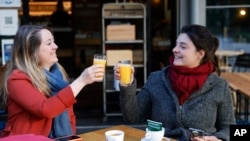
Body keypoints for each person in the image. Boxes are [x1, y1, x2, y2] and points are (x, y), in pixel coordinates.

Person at [114, 24, 236, 141]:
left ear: (200, 54)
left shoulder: (219, 86)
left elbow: (230, 128)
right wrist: (127, 84)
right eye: (176, 45)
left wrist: (219, 138)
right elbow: (133, 117)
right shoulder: (156, 79)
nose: (175, 50)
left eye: (183, 47)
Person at [0, 25, 105, 138]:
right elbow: (46, 109)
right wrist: (82, 81)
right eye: (49, 43)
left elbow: (68, 114)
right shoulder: (16, 79)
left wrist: (70, 136)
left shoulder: (58, 74)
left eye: (53, 42)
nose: (55, 46)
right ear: (31, 50)